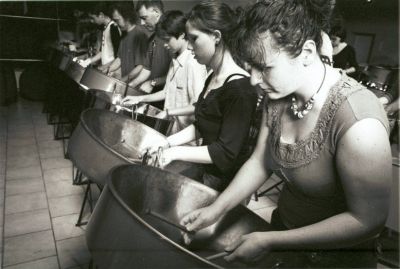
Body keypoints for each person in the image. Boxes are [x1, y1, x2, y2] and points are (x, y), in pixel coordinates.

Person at [181, 1, 392, 268]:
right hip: (284, 234)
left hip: (335, 259)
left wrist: (273, 241)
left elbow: (366, 221)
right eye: (250, 68)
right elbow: (261, 162)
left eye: (264, 68)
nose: (255, 80)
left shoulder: (360, 124)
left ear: (306, 52)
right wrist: (216, 208)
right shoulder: (278, 96)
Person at [150, 1, 258, 192]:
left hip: (224, 183)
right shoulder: (213, 77)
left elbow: (225, 153)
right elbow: (202, 125)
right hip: (207, 171)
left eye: (194, 39)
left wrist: (176, 152)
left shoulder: (240, 89)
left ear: (216, 36)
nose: (189, 47)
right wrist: (167, 142)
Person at [122, 10, 208, 134]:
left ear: (182, 35)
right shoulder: (175, 59)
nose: (165, 45)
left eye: (168, 40)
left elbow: (199, 106)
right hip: (171, 130)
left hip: (186, 135)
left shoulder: (193, 63)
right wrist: (139, 99)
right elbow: (166, 92)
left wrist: (167, 112)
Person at [126, 0, 172, 108]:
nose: (142, 23)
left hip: (167, 98)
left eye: (144, 18)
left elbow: (177, 73)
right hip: (153, 95)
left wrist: (153, 82)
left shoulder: (172, 36)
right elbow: (147, 69)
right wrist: (130, 86)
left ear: (156, 12)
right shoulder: (153, 38)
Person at [99, 2, 149, 81]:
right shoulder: (124, 34)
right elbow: (120, 59)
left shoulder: (139, 35)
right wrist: (107, 70)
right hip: (125, 82)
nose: (115, 24)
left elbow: (140, 66)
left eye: (117, 20)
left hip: (135, 85)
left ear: (127, 17)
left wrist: (123, 80)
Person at [79, 2, 122, 67]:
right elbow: (103, 52)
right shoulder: (105, 28)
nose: (92, 21)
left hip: (112, 69)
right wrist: (89, 61)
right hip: (106, 67)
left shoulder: (113, 27)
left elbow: (119, 56)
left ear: (101, 15)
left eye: (93, 18)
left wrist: (105, 68)